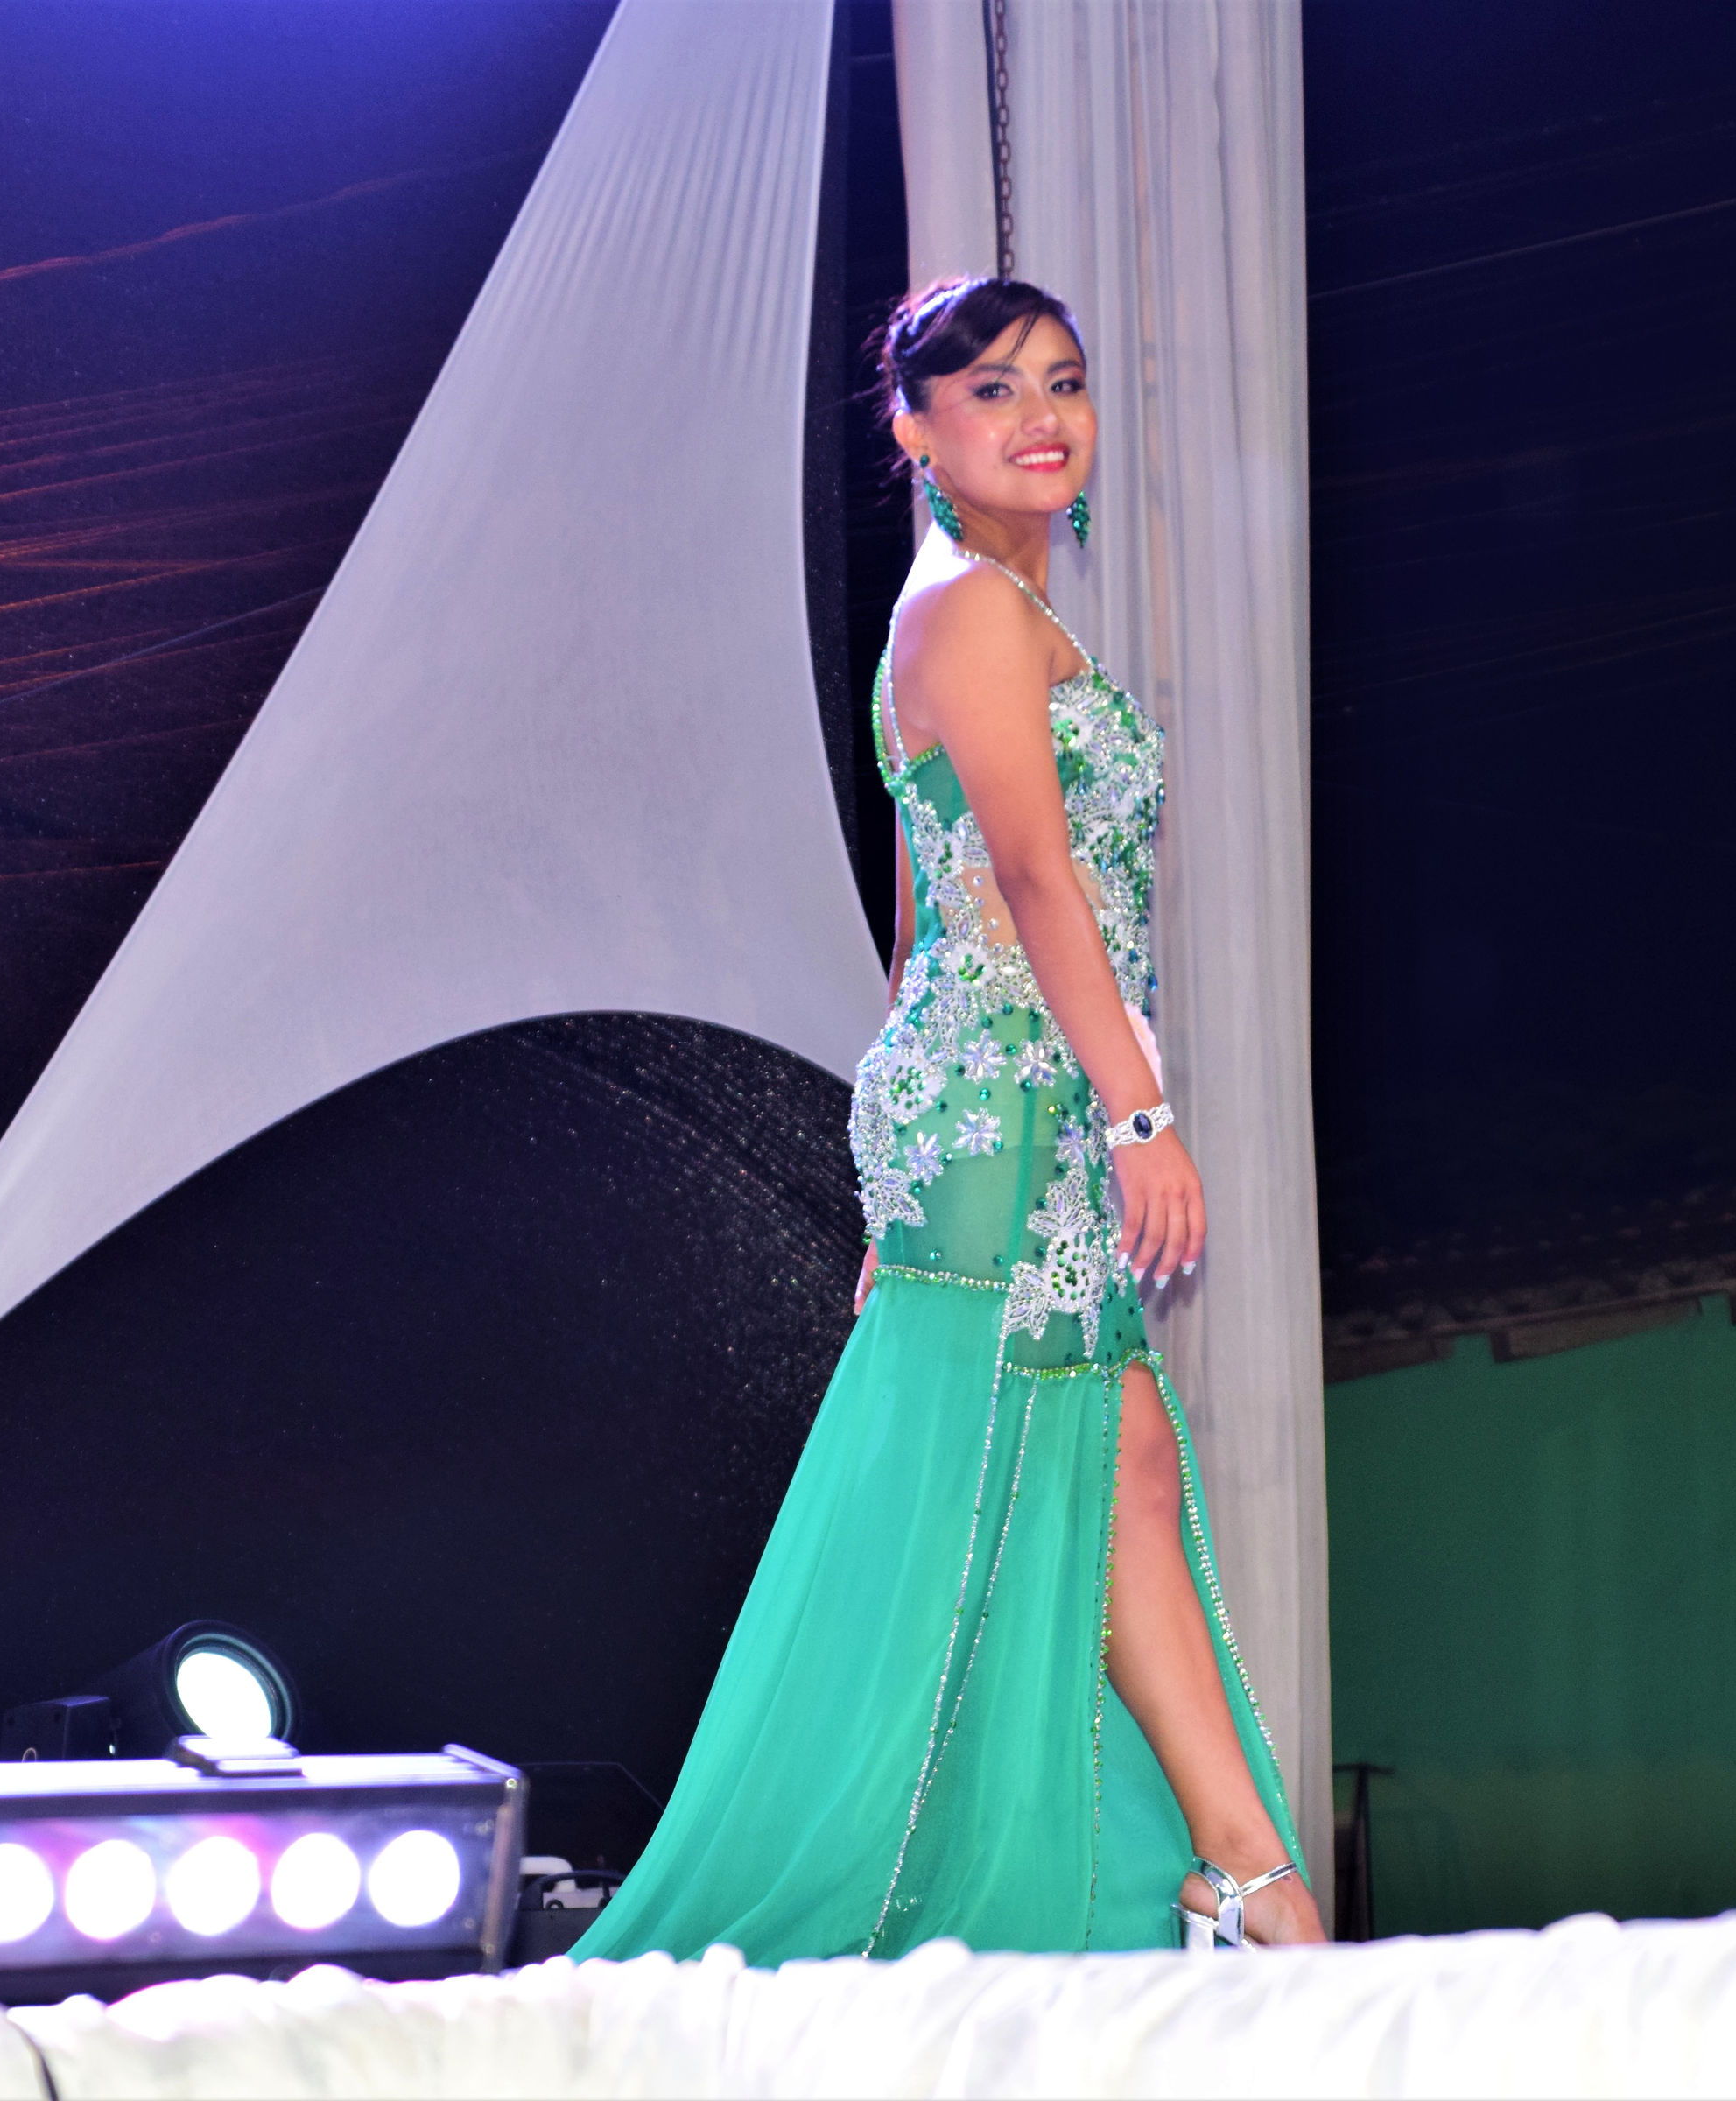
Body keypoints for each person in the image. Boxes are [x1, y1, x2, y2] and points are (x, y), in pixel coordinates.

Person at [574, 276, 1322, 1961]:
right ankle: (1227, 1876)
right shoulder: (972, 612)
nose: (1040, 416)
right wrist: (1140, 1118)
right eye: (992, 389)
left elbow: (929, 904)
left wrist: (898, 1174)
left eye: (1061, 381)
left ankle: (1242, 1870)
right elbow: (1038, 878)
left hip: (986, 1093)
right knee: (1038, 1467)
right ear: (914, 428)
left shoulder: (989, 610)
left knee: (1117, 1457)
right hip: (1013, 1097)